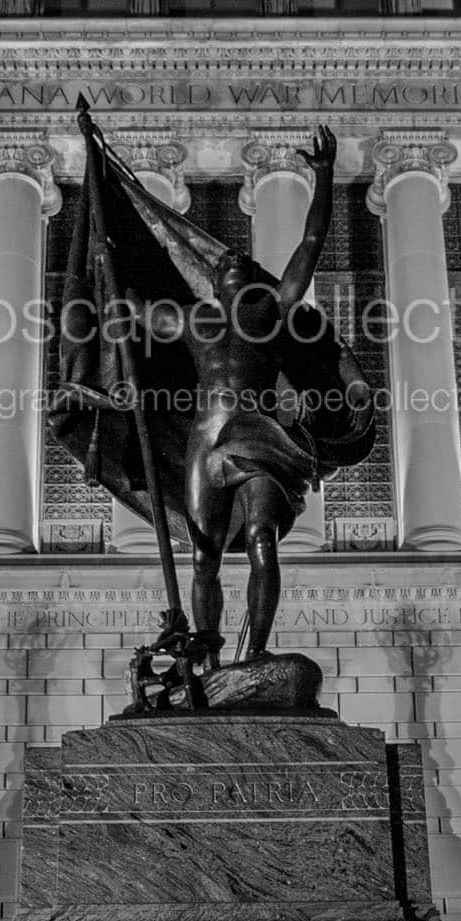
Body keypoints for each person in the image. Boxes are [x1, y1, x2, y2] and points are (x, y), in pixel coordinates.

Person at [129, 127, 341, 662]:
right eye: (225, 264)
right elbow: (136, 309)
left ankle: (257, 656)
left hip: (259, 438)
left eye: (242, 264)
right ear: (212, 279)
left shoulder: (268, 312)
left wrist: (325, 176)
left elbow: (310, 247)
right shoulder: (193, 318)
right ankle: (209, 662)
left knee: (262, 541)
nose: (233, 264)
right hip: (206, 440)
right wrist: (110, 267)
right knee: (203, 559)